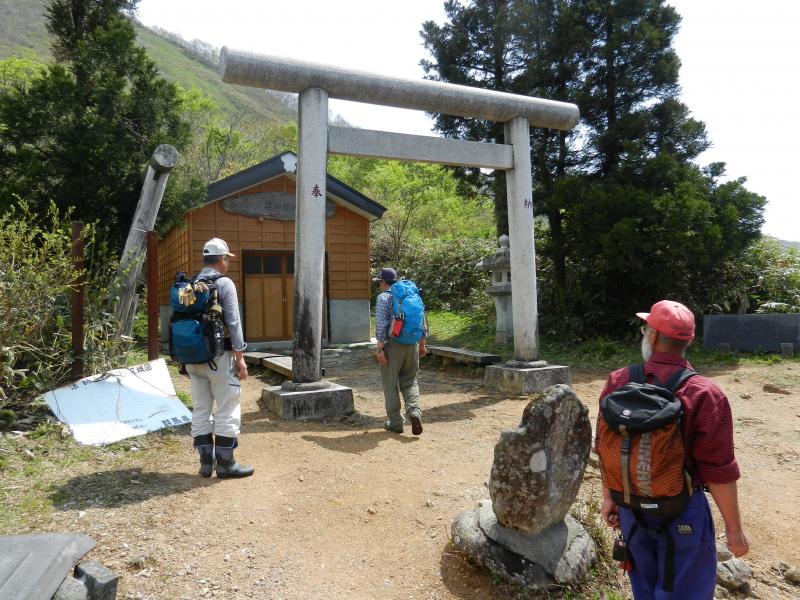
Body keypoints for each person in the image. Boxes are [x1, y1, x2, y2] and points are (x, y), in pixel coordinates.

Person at [598, 300, 749, 599]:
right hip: (682, 510)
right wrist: (733, 530)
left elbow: (605, 446)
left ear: (651, 336)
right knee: (688, 591)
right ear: (689, 341)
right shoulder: (705, 393)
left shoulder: (619, 381)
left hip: (631, 508)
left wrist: (610, 497)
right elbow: (718, 469)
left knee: (644, 587)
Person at [188, 238, 254, 479]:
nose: (228, 263)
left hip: (193, 356)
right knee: (227, 406)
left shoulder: (192, 282)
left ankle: (206, 464)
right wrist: (240, 358)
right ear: (222, 259)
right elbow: (234, 323)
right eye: (227, 259)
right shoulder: (224, 284)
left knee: (201, 408)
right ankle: (226, 464)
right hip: (219, 356)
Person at [374, 267, 427, 435]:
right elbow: (422, 321)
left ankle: (396, 422)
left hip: (392, 345)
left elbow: (381, 324)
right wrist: (422, 344)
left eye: (379, 282)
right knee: (410, 381)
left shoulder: (384, 297)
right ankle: (414, 412)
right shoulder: (411, 294)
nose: (379, 285)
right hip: (412, 343)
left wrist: (380, 349)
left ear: (383, 282)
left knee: (390, 384)